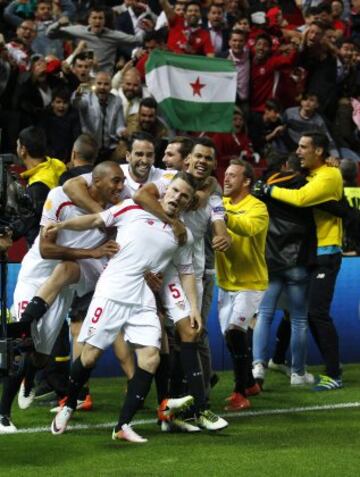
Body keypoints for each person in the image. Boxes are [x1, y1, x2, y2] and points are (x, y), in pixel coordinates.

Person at [50, 173, 227, 441]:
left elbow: (186, 271)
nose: (177, 198)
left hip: (143, 297)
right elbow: (96, 220)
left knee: (151, 359)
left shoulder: (183, 234)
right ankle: (69, 405)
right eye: (175, 191)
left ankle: (122, 425)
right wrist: (62, 226)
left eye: (184, 196)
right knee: (89, 357)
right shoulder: (132, 208)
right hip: (113, 292)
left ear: (188, 202)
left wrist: (192, 306)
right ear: (166, 191)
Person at [0, 161, 122, 433]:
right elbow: (45, 249)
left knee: (41, 357)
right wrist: (92, 252)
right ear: (94, 183)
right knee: (22, 343)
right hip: (36, 276)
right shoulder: (59, 198)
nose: (120, 187)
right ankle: (2, 415)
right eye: (114, 182)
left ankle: (30, 378)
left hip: (69, 283)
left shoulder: (115, 208)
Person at [134, 137, 231, 431]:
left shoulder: (212, 196)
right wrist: (173, 221)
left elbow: (218, 220)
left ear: (214, 165)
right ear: (187, 159)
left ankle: (192, 404)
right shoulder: (168, 181)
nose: (202, 162)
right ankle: (168, 405)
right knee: (157, 342)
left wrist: (222, 234)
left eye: (208, 159)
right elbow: (142, 197)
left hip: (190, 274)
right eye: (198, 156)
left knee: (188, 336)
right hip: (150, 271)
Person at [253, 132, 343, 391]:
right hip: (304, 253)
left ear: (319, 150)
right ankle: (282, 362)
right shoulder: (310, 175)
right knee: (294, 313)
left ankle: (334, 373)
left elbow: (302, 198)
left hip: (325, 251)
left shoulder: (329, 175)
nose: (299, 151)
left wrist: (268, 188)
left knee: (314, 313)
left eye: (304, 147)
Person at [252, 153, 317, 386]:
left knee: (264, 315)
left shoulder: (261, 187)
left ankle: (258, 365)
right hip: (297, 260)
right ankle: (298, 373)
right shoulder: (306, 187)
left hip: (269, 260)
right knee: (299, 319)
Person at [215, 158, 268, 411]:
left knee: (236, 331)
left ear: (246, 181)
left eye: (233, 175)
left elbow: (247, 228)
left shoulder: (257, 207)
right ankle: (249, 382)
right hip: (225, 283)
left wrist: (223, 219)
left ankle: (239, 393)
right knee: (230, 337)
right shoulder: (219, 203)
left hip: (251, 282)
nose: (226, 179)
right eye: (225, 174)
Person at [46, 5, 146, 72]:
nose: (97, 21)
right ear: (89, 20)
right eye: (94, 18)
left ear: (104, 21)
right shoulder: (79, 30)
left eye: (100, 18)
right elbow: (50, 34)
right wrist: (58, 24)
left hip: (104, 79)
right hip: (82, 76)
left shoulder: (113, 35)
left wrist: (149, 30)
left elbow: (137, 40)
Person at [15, 126, 67, 246]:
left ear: (23, 150)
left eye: (17, 145)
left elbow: (26, 223)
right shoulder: (57, 164)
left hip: (44, 248)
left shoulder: (37, 186)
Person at [72, 71, 125, 162]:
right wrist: (76, 97)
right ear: (94, 84)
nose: (102, 87)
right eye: (99, 83)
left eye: (106, 84)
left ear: (111, 86)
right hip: (91, 147)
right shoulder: (87, 98)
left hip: (111, 148)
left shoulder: (117, 101)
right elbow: (77, 104)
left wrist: (122, 131)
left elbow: (119, 125)